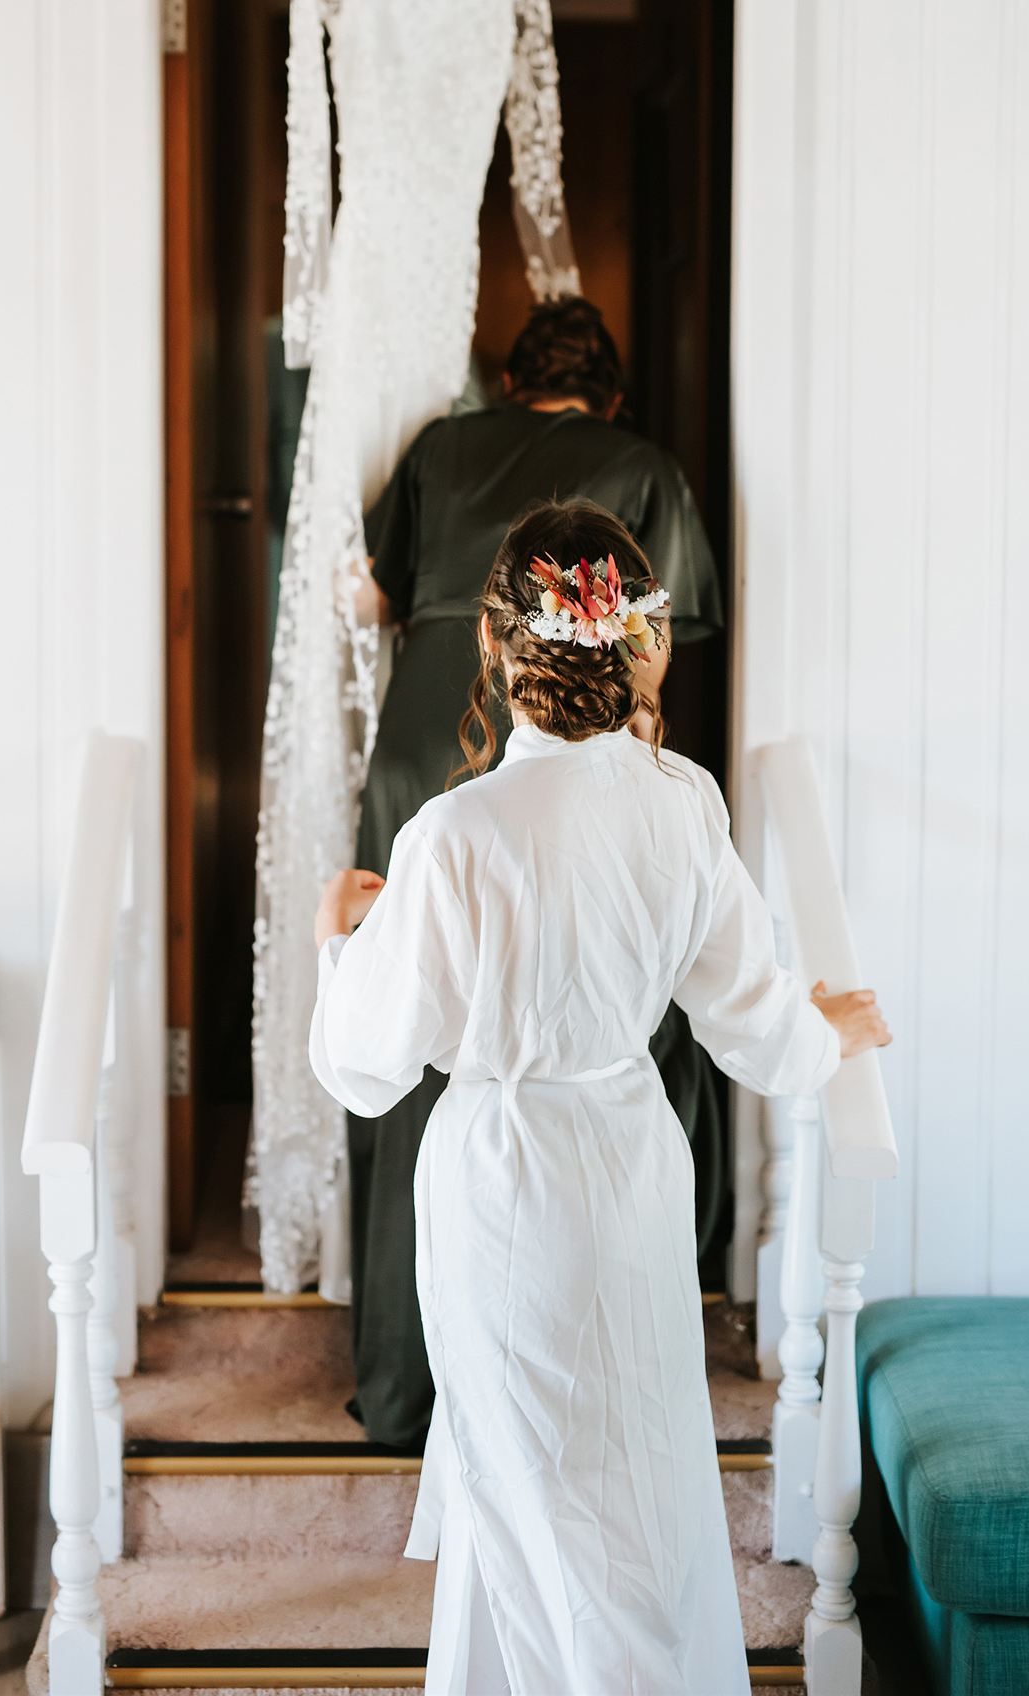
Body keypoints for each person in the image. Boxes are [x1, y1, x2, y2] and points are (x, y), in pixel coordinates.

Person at [310, 499, 890, 1696]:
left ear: (495, 646)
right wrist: (821, 1033)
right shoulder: (680, 804)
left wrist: (340, 938)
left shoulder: (452, 833)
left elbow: (364, 1062)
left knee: (527, 1495)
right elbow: (751, 1018)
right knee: (635, 1485)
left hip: (500, 1181)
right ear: (644, 645)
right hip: (627, 1167)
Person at [346, 298, 725, 1452]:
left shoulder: (437, 450)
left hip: (421, 739)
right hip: (561, 745)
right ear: (608, 393)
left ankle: (402, 1380)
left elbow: (372, 595)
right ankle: (587, 1348)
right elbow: (667, 647)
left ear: (512, 383)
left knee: (404, 1024)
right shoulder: (642, 465)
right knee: (592, 1017)